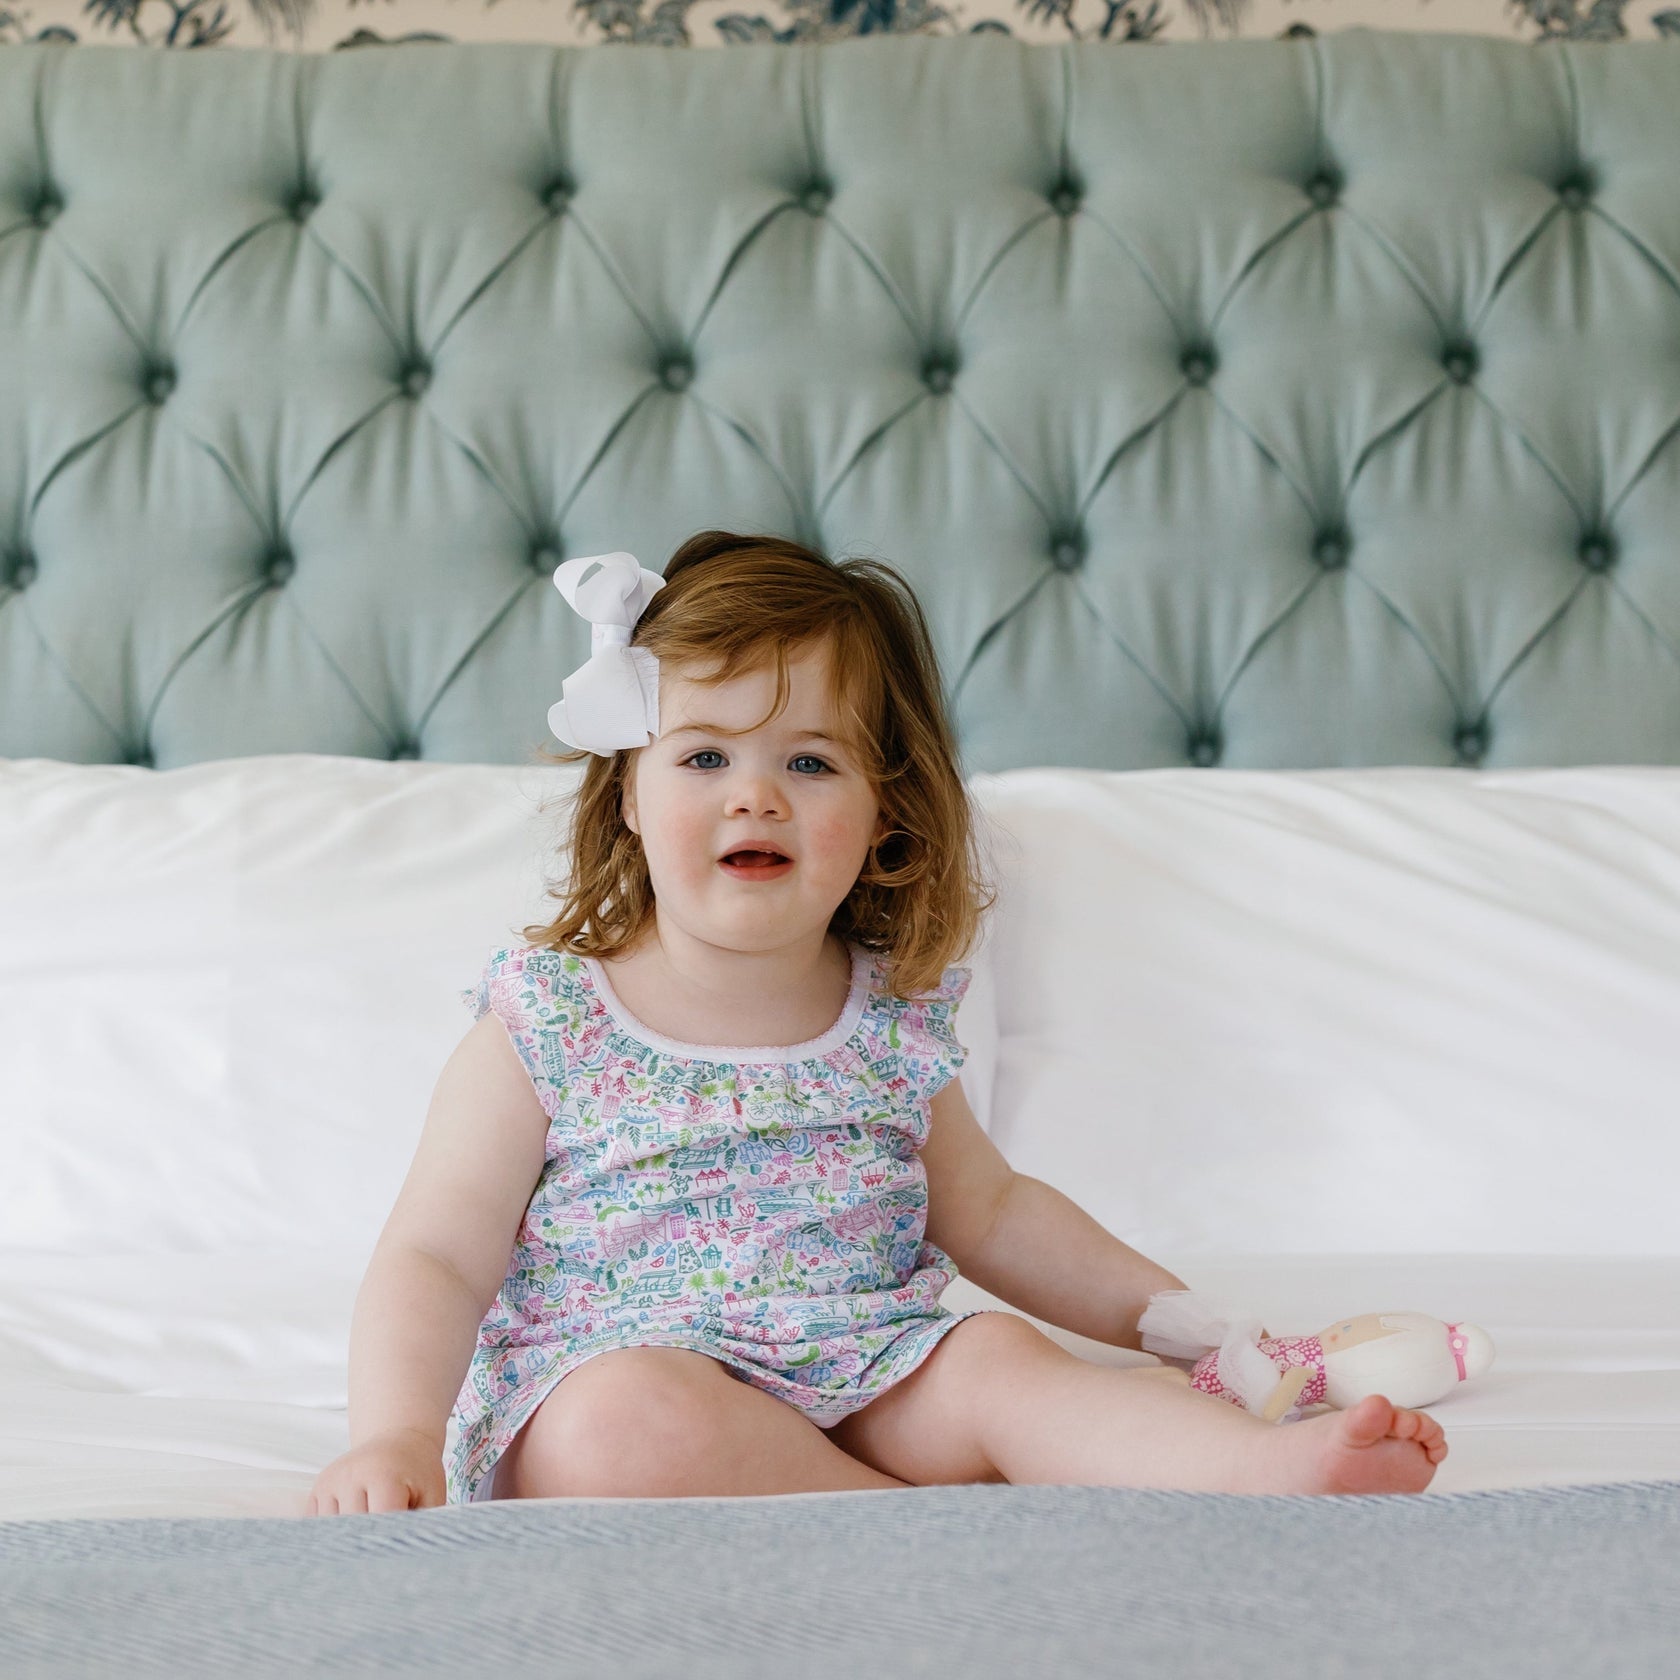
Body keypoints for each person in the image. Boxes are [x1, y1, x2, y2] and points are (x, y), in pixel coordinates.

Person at [306, 530, 1447, 1516]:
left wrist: (1189, 1330)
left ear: (882, 813)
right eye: (704, 756)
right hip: (613, 1377)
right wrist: (396, 1433)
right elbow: (437, 1253)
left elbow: (995, 1212)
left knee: (999, 1359)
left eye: (809, 761)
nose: (755, 795)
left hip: (868, 1366)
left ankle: (1262, 1474)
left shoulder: (885, 1020)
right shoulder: (551, 1020)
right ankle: (930, 1523)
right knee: (630, 1424)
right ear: (629, 795)